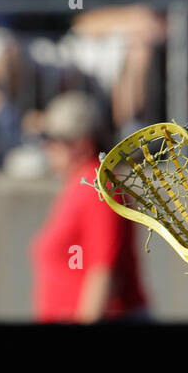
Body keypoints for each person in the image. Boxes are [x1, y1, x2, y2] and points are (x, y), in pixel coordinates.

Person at [30, 91, 148, 323]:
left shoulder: (99, 187)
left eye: (54, 141)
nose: (47, 148)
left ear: (82, 143)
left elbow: (104, 273)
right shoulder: (80, 185)